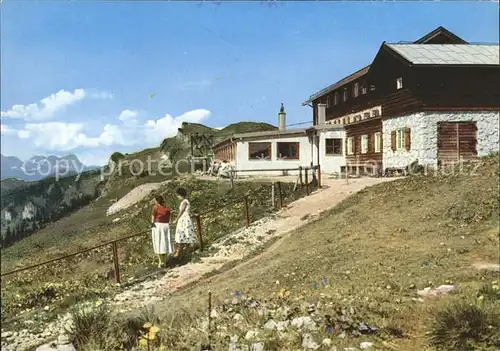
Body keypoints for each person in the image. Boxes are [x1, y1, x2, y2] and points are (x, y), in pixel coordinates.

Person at [172, 187, 196, 259]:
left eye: (178, 195)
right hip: (186, 219)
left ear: (180, 195)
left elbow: (181, 211)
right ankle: (184, 253)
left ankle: (180, 254)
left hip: (184, 220)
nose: (178, 197)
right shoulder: (186, 201)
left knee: (182, 236)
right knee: (185, 236)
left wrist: (176, 219)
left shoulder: (184, 202)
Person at [151, 195, 172, 268]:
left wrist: (152, 225)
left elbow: (153, 217)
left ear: (156, 200)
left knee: (158, 243)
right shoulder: (167, 208)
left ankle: (161, 261)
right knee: (165, 243)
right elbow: (170, 218)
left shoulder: (156, 207)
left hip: (158, 226)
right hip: (166, 226)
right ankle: (165, 261)